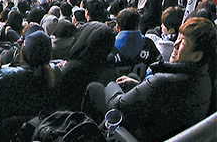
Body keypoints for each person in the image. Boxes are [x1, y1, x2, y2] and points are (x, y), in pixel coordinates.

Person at [83, 17, 217, 142]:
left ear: (197, 56)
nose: (175, 44)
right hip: (162, 128)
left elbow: (117, 106)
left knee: (95, 88)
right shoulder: (205, 80)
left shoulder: (162, 83)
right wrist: (142, 85)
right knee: (133, 78)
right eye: (179, 38)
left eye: (183, 42)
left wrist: (112, 85)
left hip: (135, 133)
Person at [0, 25, 60, 120]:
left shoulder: (4, 75)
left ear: (24, 51)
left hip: (3, 126)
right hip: (29, 127)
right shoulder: (55, 76)